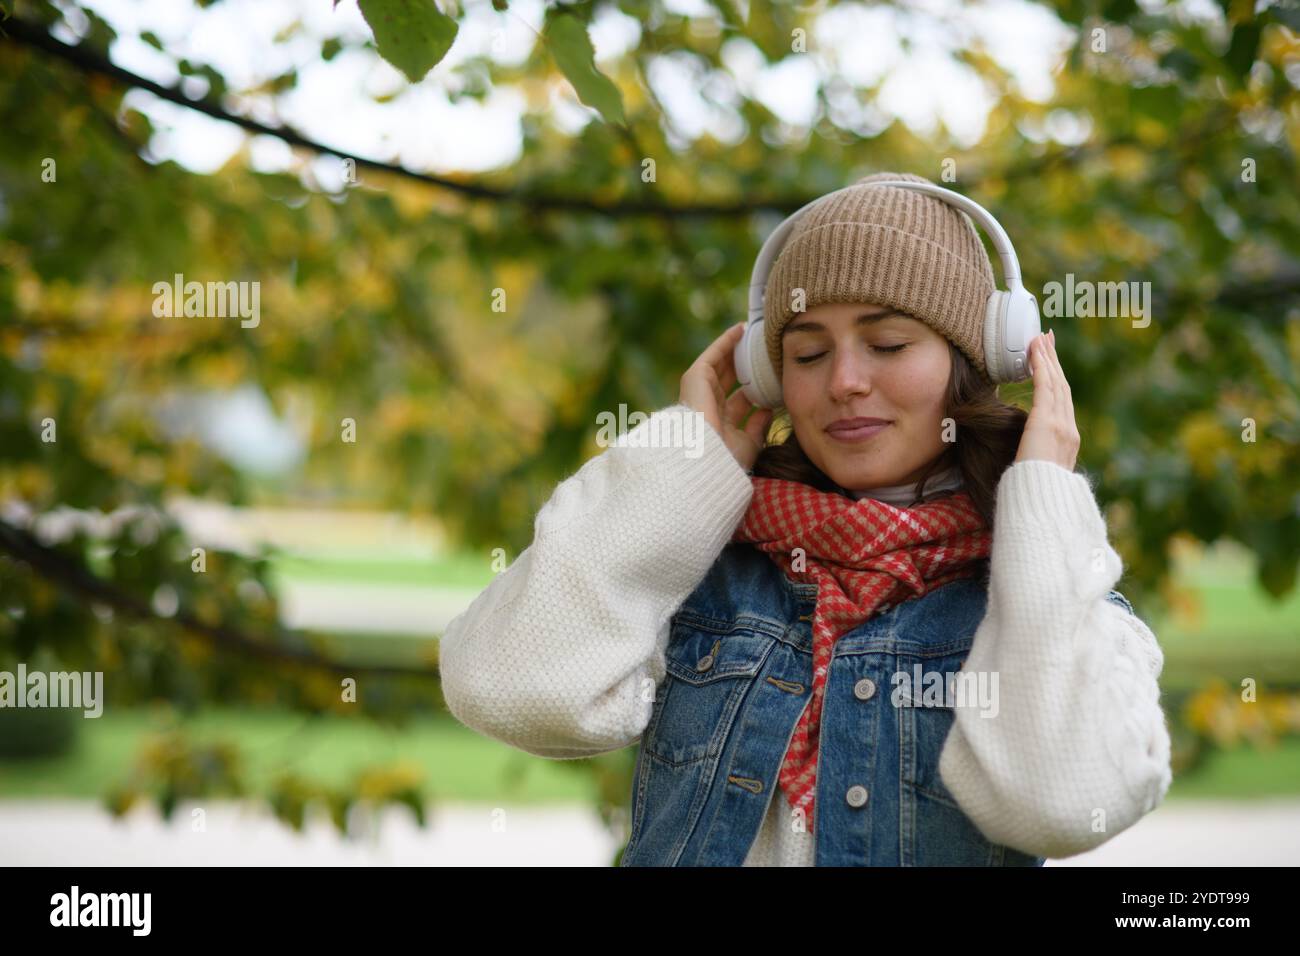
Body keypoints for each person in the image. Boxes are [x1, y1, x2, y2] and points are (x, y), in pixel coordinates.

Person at [437, 172, 1173, 866]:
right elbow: (510, 689)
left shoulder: (1058, 604)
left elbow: (1063, 803)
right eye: (808, 352)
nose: (845, 382)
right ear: (767, 375)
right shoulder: (702, 579)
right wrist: (684, 466)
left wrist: (1042, 495)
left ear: (975, 358)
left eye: (888, 344)